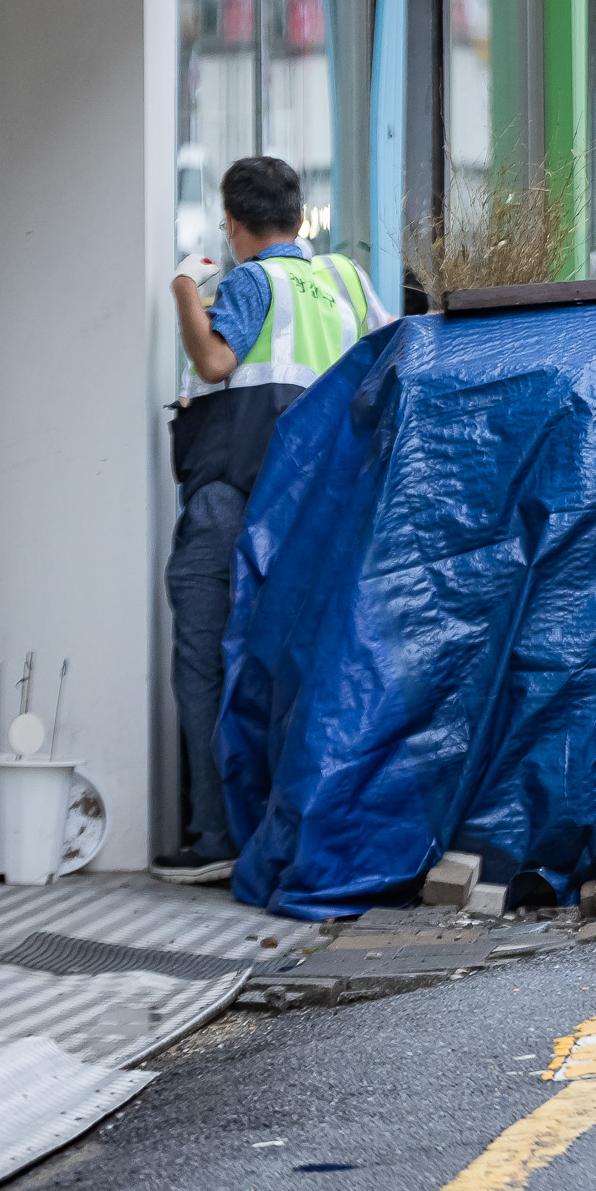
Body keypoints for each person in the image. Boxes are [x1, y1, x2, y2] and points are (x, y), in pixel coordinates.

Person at [158, 158, 387, 882]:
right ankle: (300, 832)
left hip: (237, 498)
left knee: (205, 654)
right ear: (300, 212)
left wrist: (186, 291)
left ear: (232, 225)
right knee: (307, 665)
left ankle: (216, 834)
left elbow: (216, 360)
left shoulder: (251, 282)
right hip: (324, 509)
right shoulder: (349, 282)